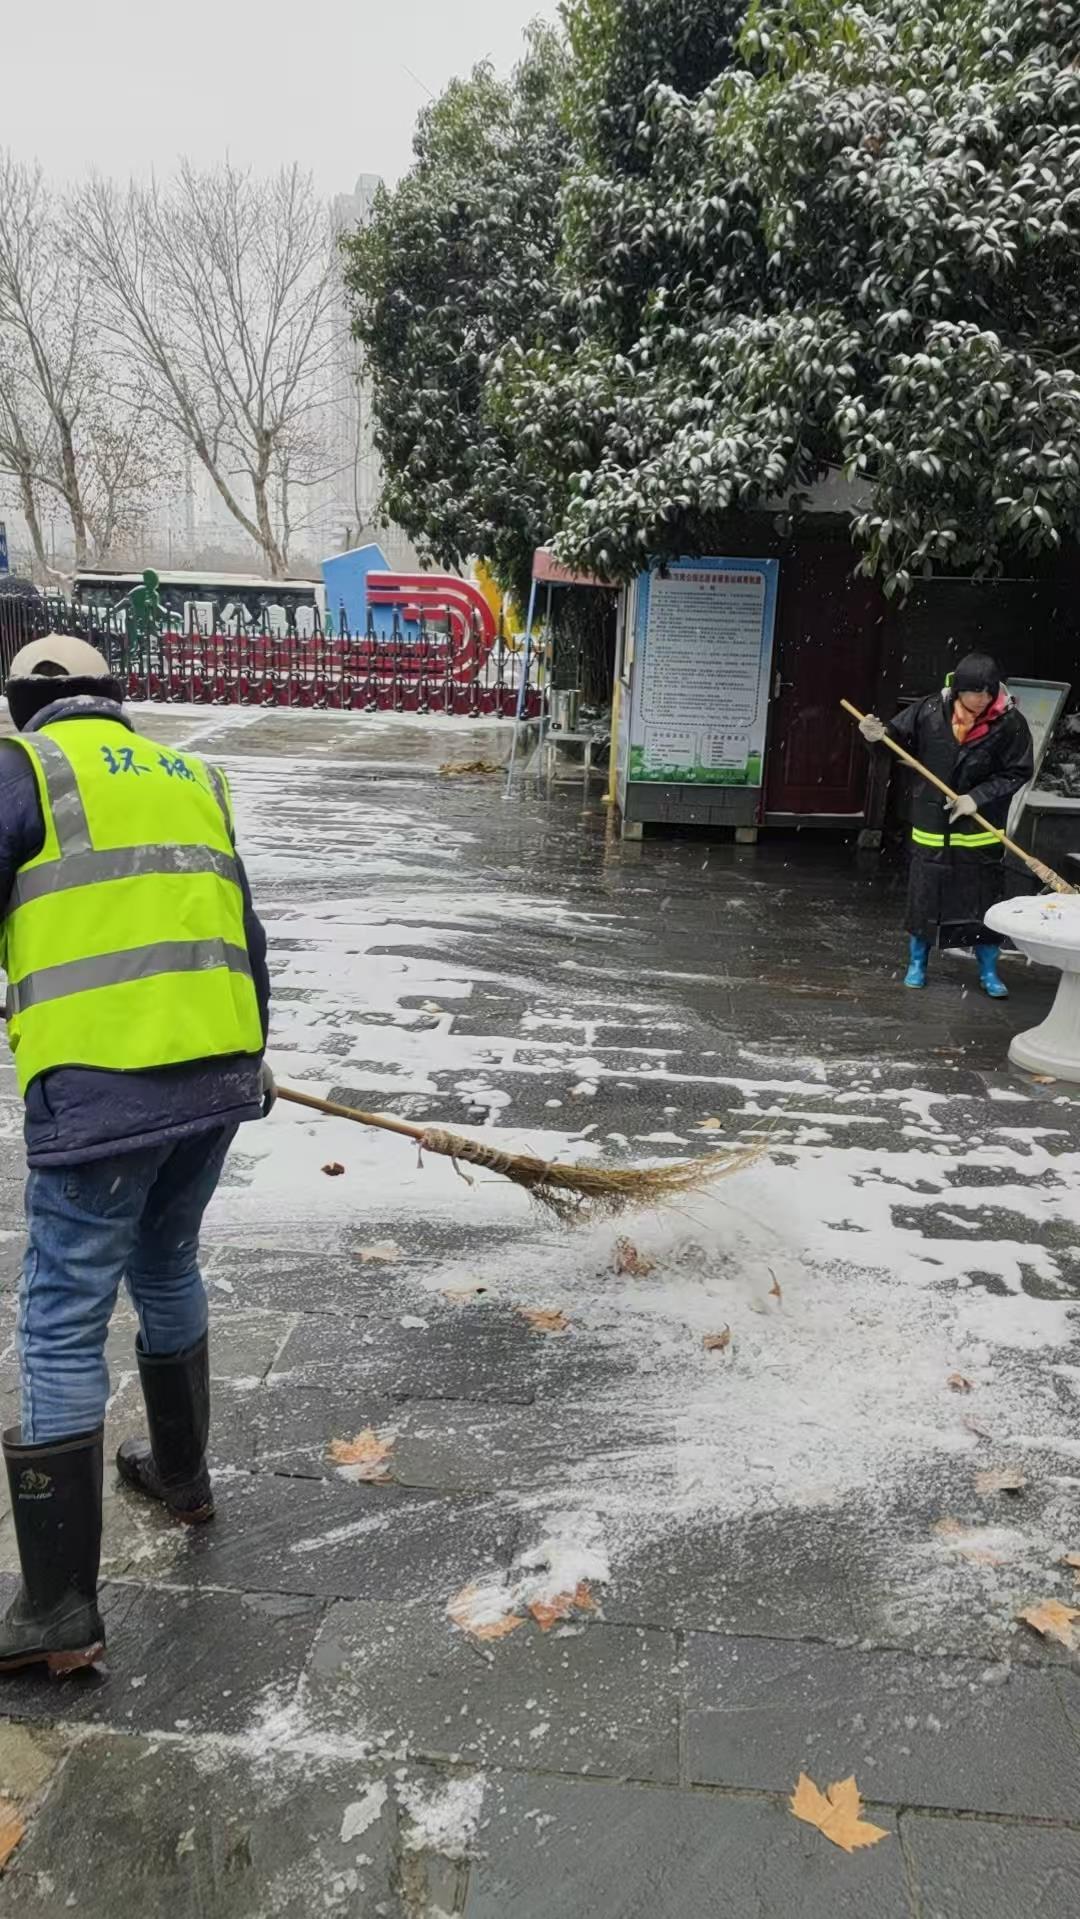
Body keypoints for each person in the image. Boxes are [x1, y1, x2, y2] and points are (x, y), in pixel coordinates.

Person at [0, 636, 273, 1674]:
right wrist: (258, 1054)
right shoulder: (191, 772)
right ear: (115, 700)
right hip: (216, 1075)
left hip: (107, 1088)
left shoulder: (24, 768)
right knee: (165, 1263)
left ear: (27, 703)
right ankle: (183, 1473)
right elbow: (243, 927)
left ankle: (59, 1607)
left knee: (62, 1310)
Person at [861, 653, 1034, 996]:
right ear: (958, 690)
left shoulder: (1011, 723)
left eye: (988, 693)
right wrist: (875, 736)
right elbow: (895, 740)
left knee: (982, 900)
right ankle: (917, 964)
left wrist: (978, 797)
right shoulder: (928, 711)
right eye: (975, 693)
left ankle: (988, 970)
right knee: (925, 897)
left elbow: (1017, 771)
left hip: (979, 827)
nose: (983, 700)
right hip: (932, 823)